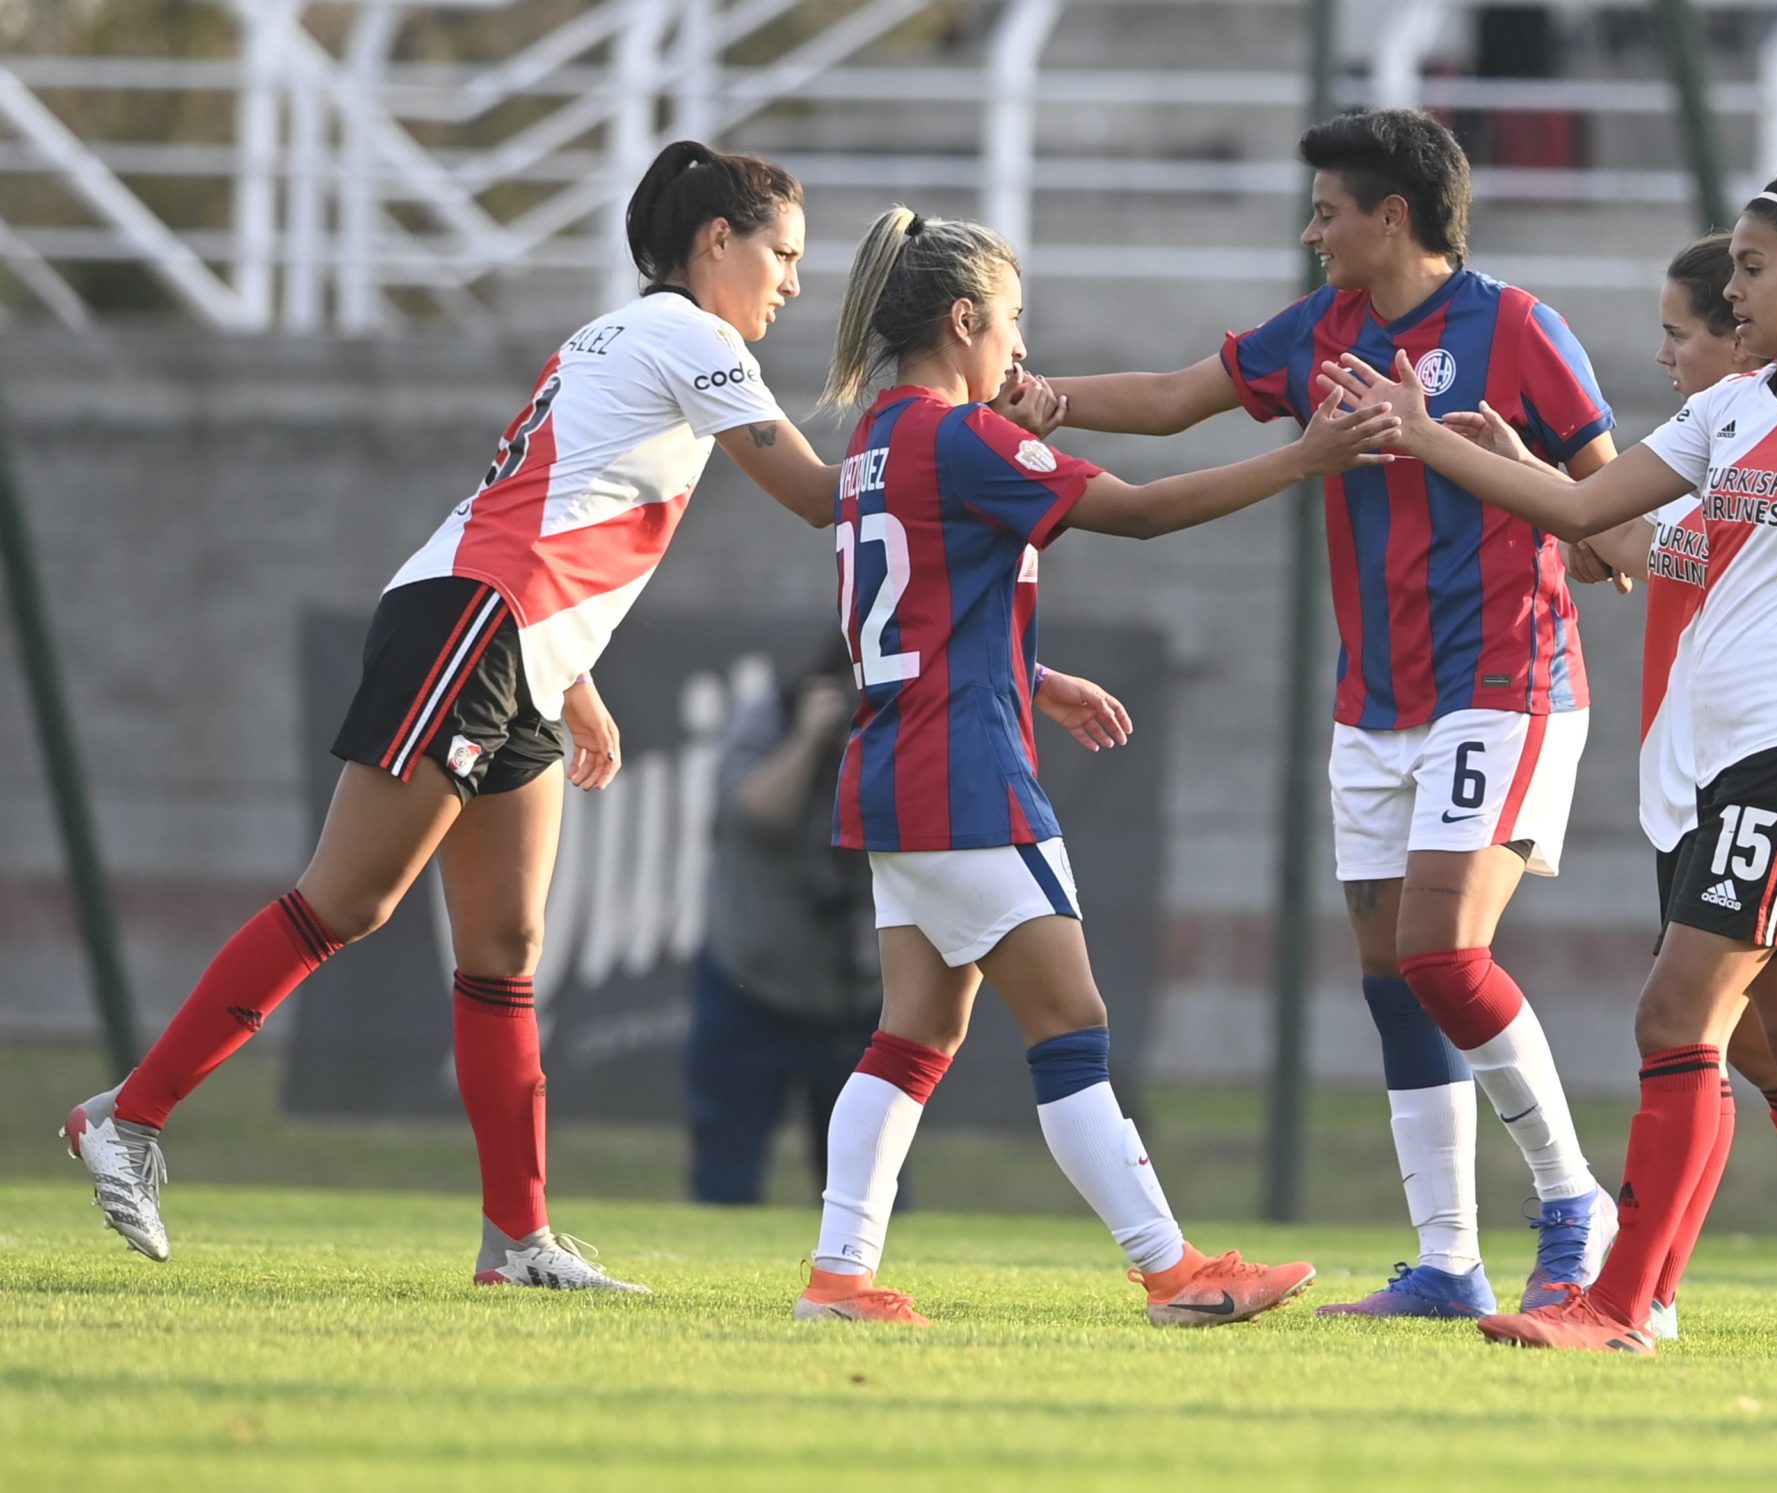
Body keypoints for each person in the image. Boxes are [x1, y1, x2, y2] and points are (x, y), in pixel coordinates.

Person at [64, 140, 850, 1290]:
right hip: (471, 624)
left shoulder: (626, 336)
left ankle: (517, 1241)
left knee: (507, 949)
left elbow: (546, 494)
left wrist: (573, 677)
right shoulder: (691, 334)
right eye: (781, 253)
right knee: (348, 900)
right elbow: (815, 495)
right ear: (715, 242)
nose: (790, 280)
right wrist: (927, 446)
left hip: (514, 641)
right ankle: (126, 1116)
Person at [1323, 144, 1777, 1364]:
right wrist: (1465, 445)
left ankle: (1618, 1301)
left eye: (1753, 272)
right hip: (1716, 764)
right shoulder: (1727, 408)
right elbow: (1581, 517)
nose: (1735, 298)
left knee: (1674, 1011)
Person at [1049, 107, 1618, 1321]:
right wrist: (1037, 393)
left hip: (1501, 681)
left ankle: (1575, 1201)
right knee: (1388, 971)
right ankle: (1448, 1259)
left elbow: (1609, 509)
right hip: (1373, 702)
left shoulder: (1518, 328)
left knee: (1442, 950)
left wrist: (1514, 460)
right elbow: (1166, 398)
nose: (1311, 233)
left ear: (1391, 218)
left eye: (1326, 212)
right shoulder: (1321, 331)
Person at [792, 204, 1400, 1327]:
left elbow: (915, 613)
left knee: (913, 1033)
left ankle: (839, 1275)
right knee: (1069, 1025)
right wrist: (1302, 456)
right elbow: (1143, 511)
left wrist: (1038, 673)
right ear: (964, 318)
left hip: (892, 769)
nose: (1021, 349)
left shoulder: (872, 439)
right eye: (1011, 321)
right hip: (965, 774)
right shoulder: (961, 435)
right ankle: (1172, 1270)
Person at [1448, 230, 1777, 1341]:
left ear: (1751, 327)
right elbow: (1616, 540)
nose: (1670, 352)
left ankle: (1632, 1299)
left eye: (1685, 329)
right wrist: (1531, 480)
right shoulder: (1720, 455)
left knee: (1682, 1016)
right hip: (1696, 774)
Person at [687, 640, 882, 1205]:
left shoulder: (902, 731)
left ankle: (859, 1276)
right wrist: (810, 739)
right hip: (750, 983)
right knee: (726, 1175)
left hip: (853, 993)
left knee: (868, 1183)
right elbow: (751, 815)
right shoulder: (772, 714)